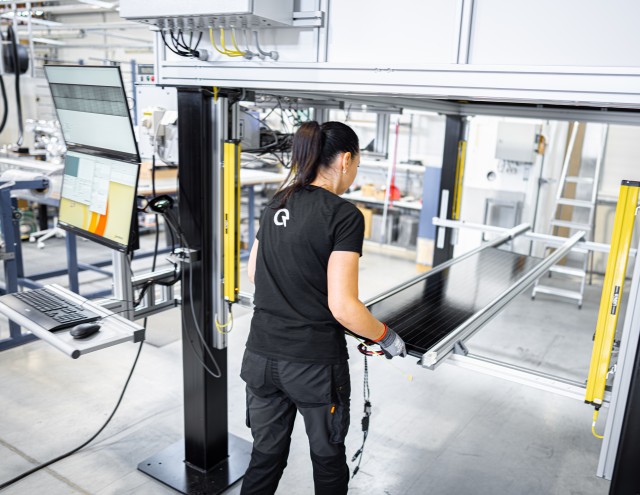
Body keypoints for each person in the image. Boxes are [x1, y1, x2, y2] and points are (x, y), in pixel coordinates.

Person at [240, 121, 407, 495]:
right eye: (358, 164)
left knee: (265, 457)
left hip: (261, 359)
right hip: (313, 367)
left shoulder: (275, 203)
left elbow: (255, 274)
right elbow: (344, 306)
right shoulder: (344, 215)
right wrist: (384, 336)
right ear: (346, 160)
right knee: (327, 460)